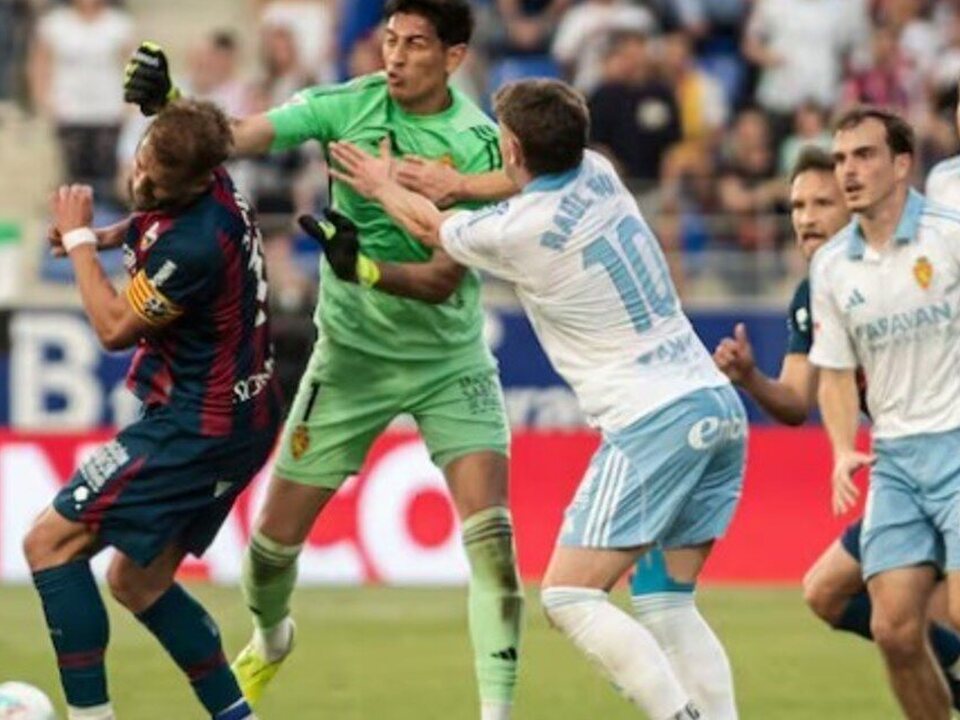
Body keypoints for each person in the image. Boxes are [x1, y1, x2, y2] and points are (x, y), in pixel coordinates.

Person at [123, 3, 524, 718]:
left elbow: (442, 279)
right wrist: (170, 103)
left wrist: (361, 267)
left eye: (415, 45)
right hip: (350, 361)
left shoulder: (476, 144)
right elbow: (238, 137)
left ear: (455, 56)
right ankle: (273, 639)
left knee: (492, 542)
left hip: (450, 362)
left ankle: (496, 713)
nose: (395, 57)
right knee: (270, 550)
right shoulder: (347, 104)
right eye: (389, 40)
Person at [327, 77, 745, 720]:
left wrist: (384, 183)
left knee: (570, 598)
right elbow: (510, 185)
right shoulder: (600, 173)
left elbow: (433, 230)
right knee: (665, 599)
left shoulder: (516, 231)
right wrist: (463, 183)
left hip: (653, 418)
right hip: (716, 405)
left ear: (513, 147)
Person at [21, 100, 281, 720]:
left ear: (192, 182)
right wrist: (118, 235)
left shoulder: (192, 245)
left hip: (198, 425)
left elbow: (114, 327)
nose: (142, 180)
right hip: (242, 417)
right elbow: (162, 208)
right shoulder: (213, 181)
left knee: (49, 544)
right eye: (143, 162)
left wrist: (84, 238)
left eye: (157, 181)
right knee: (136, 582)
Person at [714, 145, 960, 707]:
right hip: (906, 468)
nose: (805, 217)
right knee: (828, 593)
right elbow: (797, 402)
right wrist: (750, 377)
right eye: (797, 204)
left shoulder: (922, 259)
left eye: (822, 202)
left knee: (924, 613)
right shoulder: (817, 290)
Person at [811, 106, 960, 719]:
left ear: (902, 164)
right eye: (841, 158)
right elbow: (836, 375)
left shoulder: (950, 234)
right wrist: (845, 447)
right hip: (896, 460)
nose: (848, 170)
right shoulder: (832, 265)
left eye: (864, 155)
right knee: (896, 630)